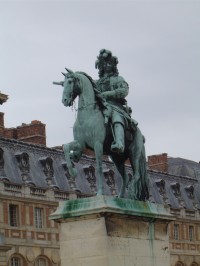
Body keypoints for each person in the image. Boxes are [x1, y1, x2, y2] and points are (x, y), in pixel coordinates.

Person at [95, 49, 133, 153]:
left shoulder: (118, 79)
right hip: (101, 106)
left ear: (113, 65)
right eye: (105, 63)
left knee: (116, 117)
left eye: (109, 63)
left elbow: (124, 90)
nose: (107, 65)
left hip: (115, 106)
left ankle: (119, 142)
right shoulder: (97, 82)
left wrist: (108, 94)